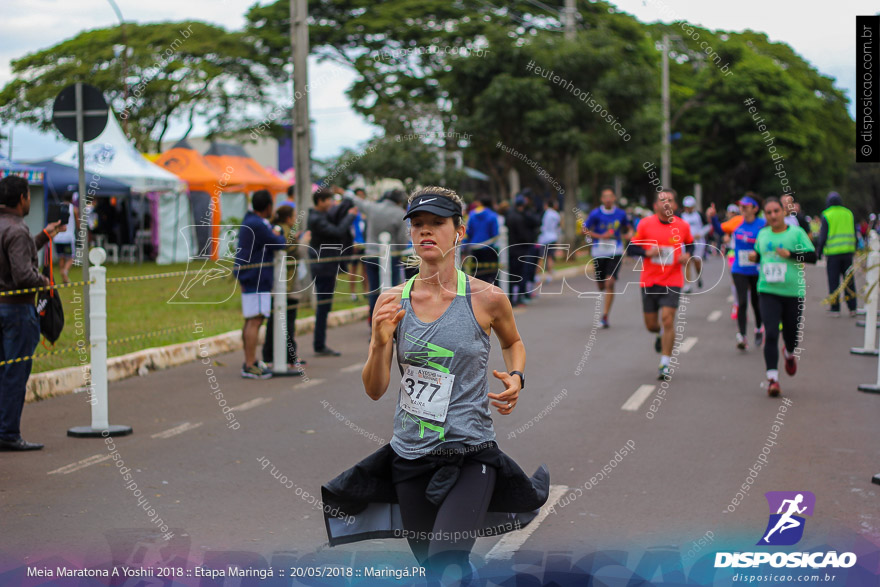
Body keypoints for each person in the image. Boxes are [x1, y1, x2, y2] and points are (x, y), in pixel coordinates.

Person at [321, 186, 549, 585]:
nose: (426, 232)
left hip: (470, 453)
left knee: (446, 558)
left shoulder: (487, 299)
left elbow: (513, 342)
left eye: (437, 224)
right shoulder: (391, 301)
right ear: (410, 234)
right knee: (435, 570)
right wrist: (378, 342)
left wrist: (516, 377)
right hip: (409, 456)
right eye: (419, 225)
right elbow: (375, 389)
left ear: (458, 231)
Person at [0, 176, 65, 450]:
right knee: (15, 373)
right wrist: (45, 282)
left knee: (4, 371)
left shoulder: (9, 228)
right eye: (28, 195)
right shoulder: (16, 229)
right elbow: (23, 274)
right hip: (17, 311)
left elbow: (16, 256)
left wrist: (44, 236)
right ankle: (8, 434)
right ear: (22, 198)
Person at [748, 197, 816, 397]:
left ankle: (789, 353)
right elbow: (761, 255)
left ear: (783, 212)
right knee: (770, 333)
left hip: (793, 291)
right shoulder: (762, 234)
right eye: (768, 213)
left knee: (791, 335)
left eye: (776, 211)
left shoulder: (796, 233)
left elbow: (813, 256)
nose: (773, 216)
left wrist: (792, 254)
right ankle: (773, 379)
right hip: (768, 290)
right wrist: (755, 257)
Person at [630, 189, 693, 380]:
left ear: (675, 205)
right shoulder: (645, 224)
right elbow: (631, 246)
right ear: (655, 205)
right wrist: (646, 253)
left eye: (670, 201)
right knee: (651, 325)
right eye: (662, 200)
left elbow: (690, 244)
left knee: (667, 320)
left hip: (672, 280)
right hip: (649, 280)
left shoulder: (682, 226)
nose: (666, 204)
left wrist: (687, 254)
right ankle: (658, 335)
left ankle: (665, 363)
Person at [235, 190, 287, 379]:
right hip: (256, 276)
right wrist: (279, 234)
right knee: (255, 319)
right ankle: (249, 364)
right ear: (268, 207)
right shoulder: (258, 224)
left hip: (250, 275)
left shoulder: (250, 221)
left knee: (251, 319)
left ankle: (250, 361)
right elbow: (278, 243)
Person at [708, 194, 766, 350]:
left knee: (756, 301)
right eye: (741, 207)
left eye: (746, 207)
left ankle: (759, 327)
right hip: (739, 268)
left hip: (757, 269)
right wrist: (713, 218)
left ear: (755, 209)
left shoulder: (763, 224)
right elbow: (720, 231)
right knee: (741, 301)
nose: (743, 210)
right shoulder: (736, 222)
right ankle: (742, 335)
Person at [344, 188, 409, 324]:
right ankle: (390, 321)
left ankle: (372, 319)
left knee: (374, 290)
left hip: (371, 254)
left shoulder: (372, 207)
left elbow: (357, 201)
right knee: (392, 290)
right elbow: (403, 240)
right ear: (399, 201)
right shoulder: (400, 213)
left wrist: (345, 193)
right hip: (391, 256)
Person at [308, 188, 358, 356]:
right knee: (323, 306)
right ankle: (319, 344)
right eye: (329, 200)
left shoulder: (321, 216)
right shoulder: (316, 218)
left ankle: (320, 343)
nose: (331, 204)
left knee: (325, 306)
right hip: (323, 268)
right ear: (320, 201)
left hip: (327, 266)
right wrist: (350, 216)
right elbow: (337, 231)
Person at [261, 205, 307, 374]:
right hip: (287, 284)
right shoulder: (285, 231)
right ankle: (287, 356)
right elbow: (291, 251)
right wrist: (303, 242)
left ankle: (273, 355)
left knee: (277, 320)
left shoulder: (279, 229)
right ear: (288, 218)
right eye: (294, 216)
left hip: (282, 283)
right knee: (286, 320)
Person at [584, 186, 632, 328]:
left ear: (614, 198)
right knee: (601, 285)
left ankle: (605, 316)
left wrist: (629, 233)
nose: (608, 199)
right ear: (602, 199)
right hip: (599, 251)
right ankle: (603, 293)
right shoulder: (595, 213)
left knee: (609, 282)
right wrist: (600, 236)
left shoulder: (621, 213)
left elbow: (628, 227)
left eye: (611, 196)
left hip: (615, 251)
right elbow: (584, 230)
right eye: (605, 197)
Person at [817, 191, 857, 317]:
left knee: (834, 281)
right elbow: (854, 232)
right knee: (849, 281)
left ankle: (835, 308)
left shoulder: (827, 214)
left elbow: (823, 236)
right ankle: (852, 308)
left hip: (833, 254)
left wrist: (819, 251)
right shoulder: (848, 213)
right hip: (848, 253)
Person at [505, 193, 541, 307]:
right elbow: (523, 235)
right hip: (521, 249)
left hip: (510, 249)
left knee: (511, 275)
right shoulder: (520, 217)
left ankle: (511, 298)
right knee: (521, 274)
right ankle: (519, 297)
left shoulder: (510, 215)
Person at [464, 195, 500, 285]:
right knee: (489, 273)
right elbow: (495, 234)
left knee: (476, 274)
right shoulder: (492, 215)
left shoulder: (472, 214)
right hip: (489, 248)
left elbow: (468, 232)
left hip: (474, 248)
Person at [679, 195, 710, 292]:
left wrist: (700, 234)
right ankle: (688, 285)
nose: (688, 209)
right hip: (686, 242)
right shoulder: (681, 216)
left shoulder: (699, 215)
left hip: (698, 242)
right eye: (687, 207)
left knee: (697, 262)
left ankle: (698, 276)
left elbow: (708, 226)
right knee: (687, 262)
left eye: (690, 207)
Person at [52, 192, 78, 284]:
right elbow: (78, 222)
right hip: (68, 237)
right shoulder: (74, 209)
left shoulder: (57, 207)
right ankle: (65, 271)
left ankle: (64, 277)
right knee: (71, 257)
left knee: (61, 257)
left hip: (58, 237)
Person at [536, 198, 561, 284]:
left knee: (540, 258)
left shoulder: (545, 213)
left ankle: (537, 276)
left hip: (543, 238)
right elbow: (558, 226)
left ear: (546, 205)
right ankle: (549, 276)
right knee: (550, 257)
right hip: (553, 237)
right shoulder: (556, 214)